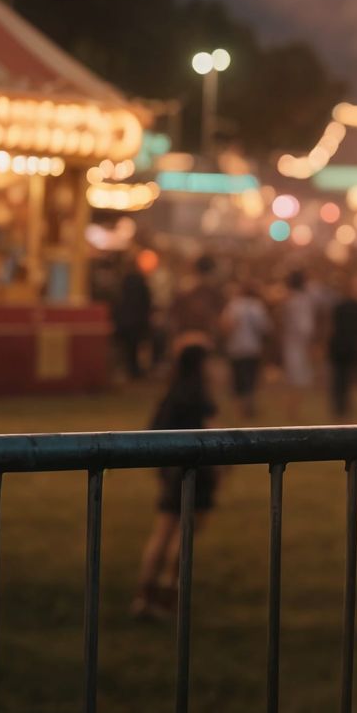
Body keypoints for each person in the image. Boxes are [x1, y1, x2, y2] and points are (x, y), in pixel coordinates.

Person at [132, 339, 218, 619]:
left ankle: (145, 595)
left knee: (164, 530)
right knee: (185, 532)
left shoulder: (172, 393)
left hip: (172, 471)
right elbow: (212, 434)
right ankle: (171, 592)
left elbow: (153, 430)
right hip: (196, 471)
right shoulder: (198, 397)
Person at [220, 280, 270, 423]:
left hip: (235, 348)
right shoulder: (257, 306)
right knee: (250, 379)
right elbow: (265, 328)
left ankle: (238, 411)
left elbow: (225, 325)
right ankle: (248, 408)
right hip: (252, 348)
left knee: (237, 379)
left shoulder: (233, 305)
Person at [276, 270, 318, 425]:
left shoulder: (296, 299)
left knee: (298, 378)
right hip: (295, 342)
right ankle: (291, 412)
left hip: (296, 342)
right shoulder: (295, 299)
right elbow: (304, 325)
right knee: (296, 378)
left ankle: (293, 411)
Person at [326, 284, 357, 422]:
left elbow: (332, 327)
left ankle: (338, 408)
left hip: (337, 347)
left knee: (337, 379)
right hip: (351, 347)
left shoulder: (338, 307)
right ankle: (345, 407)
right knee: (347, 378)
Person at [112, 258, 155, 381]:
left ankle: (131, 370)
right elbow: (147, 302)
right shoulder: (141, 282)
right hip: (137, 320)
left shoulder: (123, 283)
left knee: (128, 348)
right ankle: (135, 371)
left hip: (125, 321)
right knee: (135, 346)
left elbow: (117, 302)